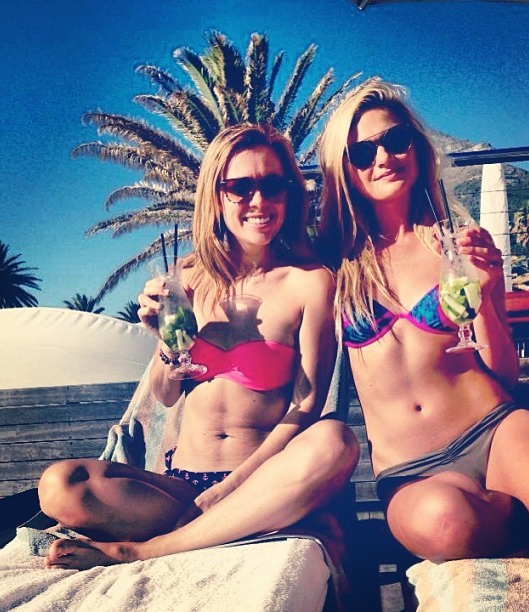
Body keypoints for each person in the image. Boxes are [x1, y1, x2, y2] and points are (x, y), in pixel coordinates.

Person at [39, 123, 360, 570]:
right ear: (216, 195)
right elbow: (166, 394)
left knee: (335, 440)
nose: (259, 201)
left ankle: (144, 549)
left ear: (290, 193)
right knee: (61, 484)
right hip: (182, 486)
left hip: (260, 481)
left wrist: (232, 488)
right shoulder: (189, 278)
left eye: (273, 185)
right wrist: (163, 343)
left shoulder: (310, 283)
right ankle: (221, 531)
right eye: (240, 188)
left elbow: (305, 408)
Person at [317, 78, 529, 565]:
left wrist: (490, 291)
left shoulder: (458, 244)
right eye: (362, 152)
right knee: (447, 525)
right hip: (410, 470)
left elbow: (504, 374)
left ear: (416, 147)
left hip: (496, 430)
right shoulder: (333, 262)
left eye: (395, 140)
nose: (383, 158)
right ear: (343, 168)